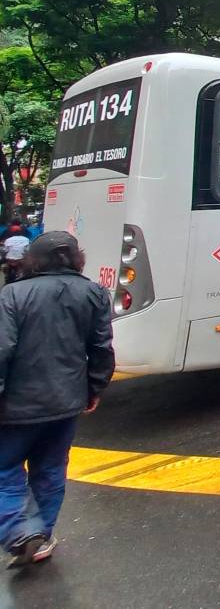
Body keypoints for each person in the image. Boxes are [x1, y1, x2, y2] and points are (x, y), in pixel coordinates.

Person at [0, 231, 114, 568]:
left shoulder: (13, 294)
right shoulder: (94, 292)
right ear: (77, 258)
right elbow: (101, 348)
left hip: (16, 405)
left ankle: (21, 529)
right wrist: (94, 389)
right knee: (50, 468)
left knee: (4, 468)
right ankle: (42, 536)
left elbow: (3, 349)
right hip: (68, 400)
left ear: (33, 260)